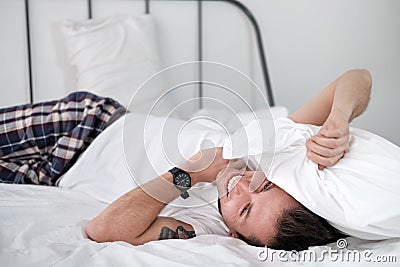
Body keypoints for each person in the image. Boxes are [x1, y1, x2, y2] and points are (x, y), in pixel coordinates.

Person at [85, 69, 379, 250]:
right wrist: (339, 117)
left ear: (235, 235)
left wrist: (190, 172)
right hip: (96, 118)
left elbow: (102, 231)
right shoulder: (270, 152)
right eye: (265, 187)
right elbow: (357, 77)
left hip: (71, 157)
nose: (242, 186)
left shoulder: (206, 224)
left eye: (246, 209)